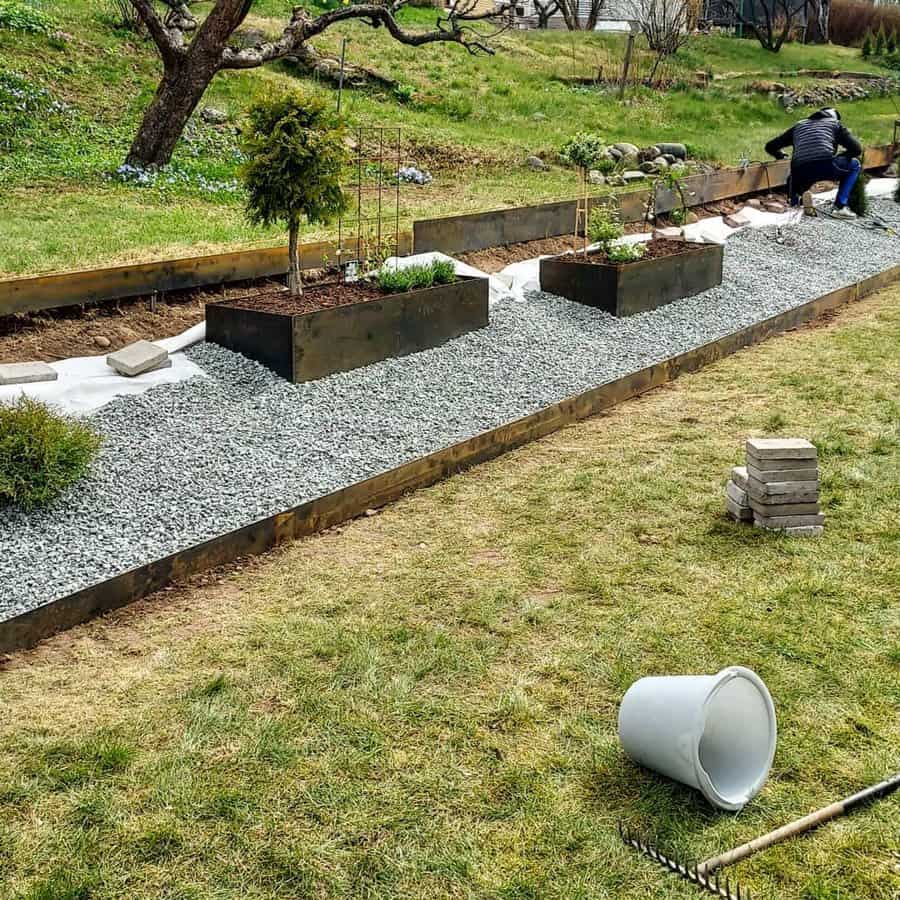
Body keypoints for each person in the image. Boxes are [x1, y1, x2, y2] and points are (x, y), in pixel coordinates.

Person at [765, 108, 863, 219]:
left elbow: (770, 146)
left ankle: (796, 202)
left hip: (799, 171)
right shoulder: (835, 124)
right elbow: (857, 149)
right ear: (834, 117)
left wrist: (780, 155)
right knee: (855, 165)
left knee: (793, 177)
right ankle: (839, 207)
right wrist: (841, 156)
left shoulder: (799, 125)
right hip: (825, 166)